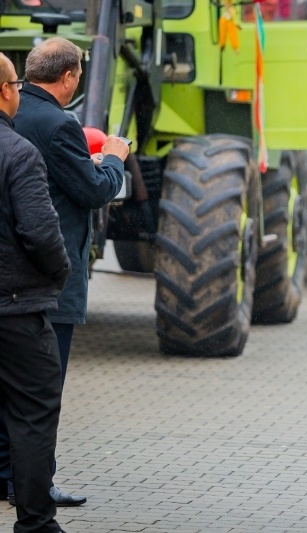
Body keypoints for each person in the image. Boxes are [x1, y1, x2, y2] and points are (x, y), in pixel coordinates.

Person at [0, 36, 129, 507]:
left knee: (7, 390)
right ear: (71, 76)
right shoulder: (59, 124)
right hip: (48, 280)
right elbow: (96, 191)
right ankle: (34, 485)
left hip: (7, 276)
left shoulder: (17, 116)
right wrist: (113, 157)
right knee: (41, 394)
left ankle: (5, 475)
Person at [0, 51, 71, 533]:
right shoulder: (18, 152)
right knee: (31, 416)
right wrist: (59, 274)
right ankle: (35, 524)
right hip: (16, 311)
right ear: (7, 92)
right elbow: (42, 234)